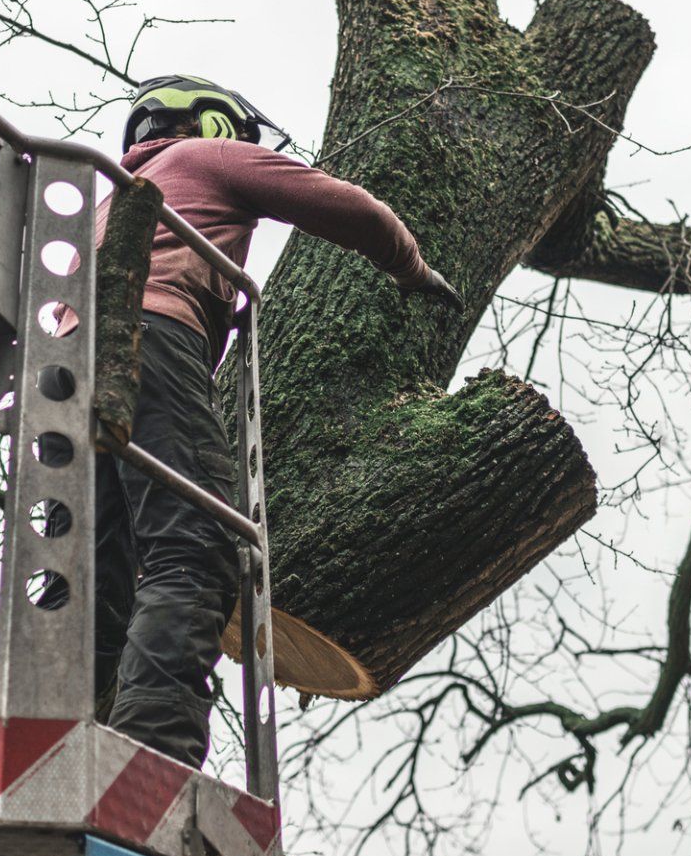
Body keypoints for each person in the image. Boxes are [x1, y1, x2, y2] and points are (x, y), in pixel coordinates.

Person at [90, 74, 461, 767]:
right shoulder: (207, 158)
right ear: (214, 124)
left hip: (66, 374)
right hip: (151, 342)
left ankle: (56, 732)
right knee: (194, 548)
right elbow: (346, 207)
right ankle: (150, 760)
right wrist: (410, 268)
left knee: (94, 570)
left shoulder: (103, 206)